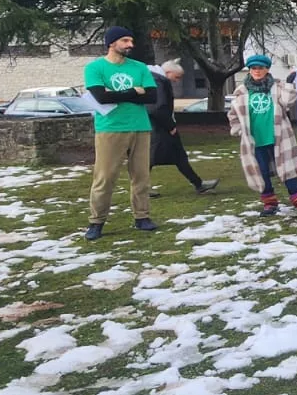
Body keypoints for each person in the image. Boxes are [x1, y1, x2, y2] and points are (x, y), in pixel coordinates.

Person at [84, 27, 159, 240]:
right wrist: (135, 91)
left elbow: (152, 96)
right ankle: (96, 221)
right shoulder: (95, 68)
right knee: (105, 177)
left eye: (131, 40)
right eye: (125, 40)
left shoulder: (139, 67)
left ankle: (142, 217)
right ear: (111, 43)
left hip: (140, 126)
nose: (130, 45)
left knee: (141, 176)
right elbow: (101, 97)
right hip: (111, 128)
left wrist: (117, 94)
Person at [228, 55, 297, 216]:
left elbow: (288, 102)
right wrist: (239, 130)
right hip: (255, 140)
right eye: (253, 68)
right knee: (261, 172)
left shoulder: (277, 87)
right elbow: (233, 115)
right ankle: (269, 203)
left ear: (266, 69)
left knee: (288, 169)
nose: (257, 71)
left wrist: (289, 82)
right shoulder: (242, 92)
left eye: (260, 68)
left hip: (278, 136)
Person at [147, 60, 218, 197]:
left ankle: (199, 184)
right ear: (168, 73)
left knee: (179, 157)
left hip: (160, 127)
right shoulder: (158, 82)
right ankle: (142, 189)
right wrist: (170, 126)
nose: (176, 81)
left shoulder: (157, 80)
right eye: (176, 77)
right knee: (149, 159)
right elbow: (157, 108)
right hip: (158, 128)